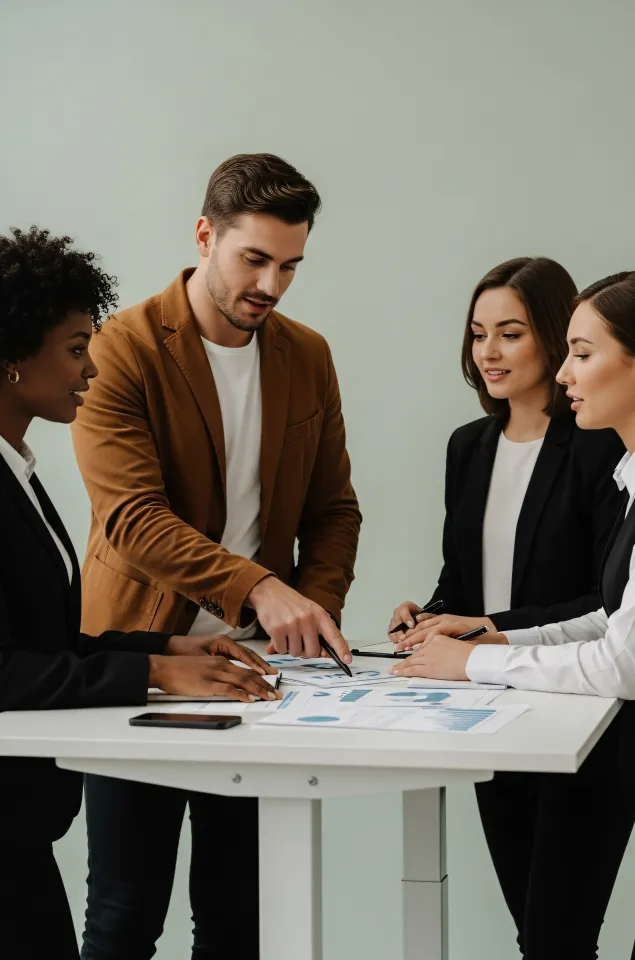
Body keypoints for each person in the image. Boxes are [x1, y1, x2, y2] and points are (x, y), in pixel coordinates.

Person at [71, 153, 362, 960]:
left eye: (290, 265)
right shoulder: (120, 348)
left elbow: (333, 509)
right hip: (142, 659)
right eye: (255, 259)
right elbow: (132, 517)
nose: (272, 283)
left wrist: (312, 609)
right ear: (206, 235)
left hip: (261, 677)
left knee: (241, 919)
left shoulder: (308, 355)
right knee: (125, 916)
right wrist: (262, 588)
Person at [0, 227, 281, 960]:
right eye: (73, 348)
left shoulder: (18, 471)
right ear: (11, 359)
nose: (90, 366)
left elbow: (46, 645)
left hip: (22, 831)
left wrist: (163, 645)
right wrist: (152, 673)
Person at [392, 269, 635, 959]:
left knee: (562, 935)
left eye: (581, 352)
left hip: (603, 736)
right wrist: (466, 628)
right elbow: (609, 617)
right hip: (524, 716)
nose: (489, 351)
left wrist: (479, 655)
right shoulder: (477, 448)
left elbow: (622, 648)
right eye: (479, 334)